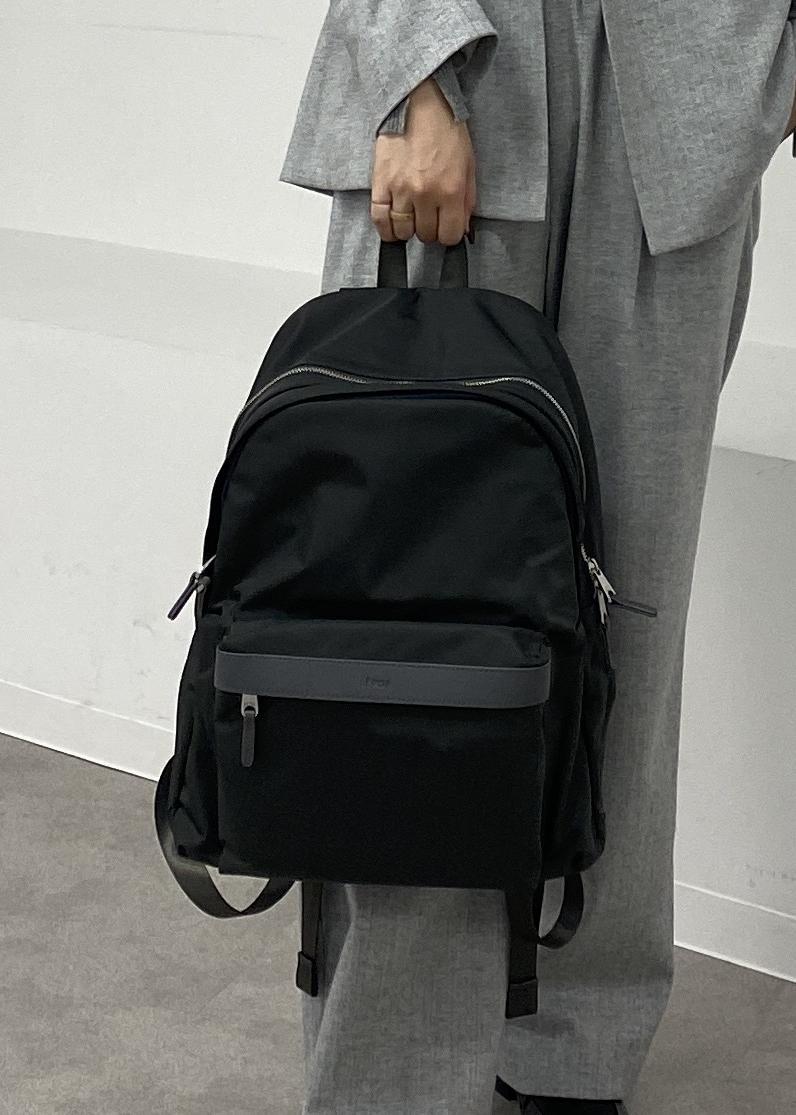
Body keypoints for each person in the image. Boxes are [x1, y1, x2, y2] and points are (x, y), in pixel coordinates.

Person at [278, 3, 796, 1112]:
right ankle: (391, 1075)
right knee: (410, 627)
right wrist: (416, 70)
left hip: (691, 96)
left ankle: (577, 1047)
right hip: (475, 59)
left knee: (627, 623)